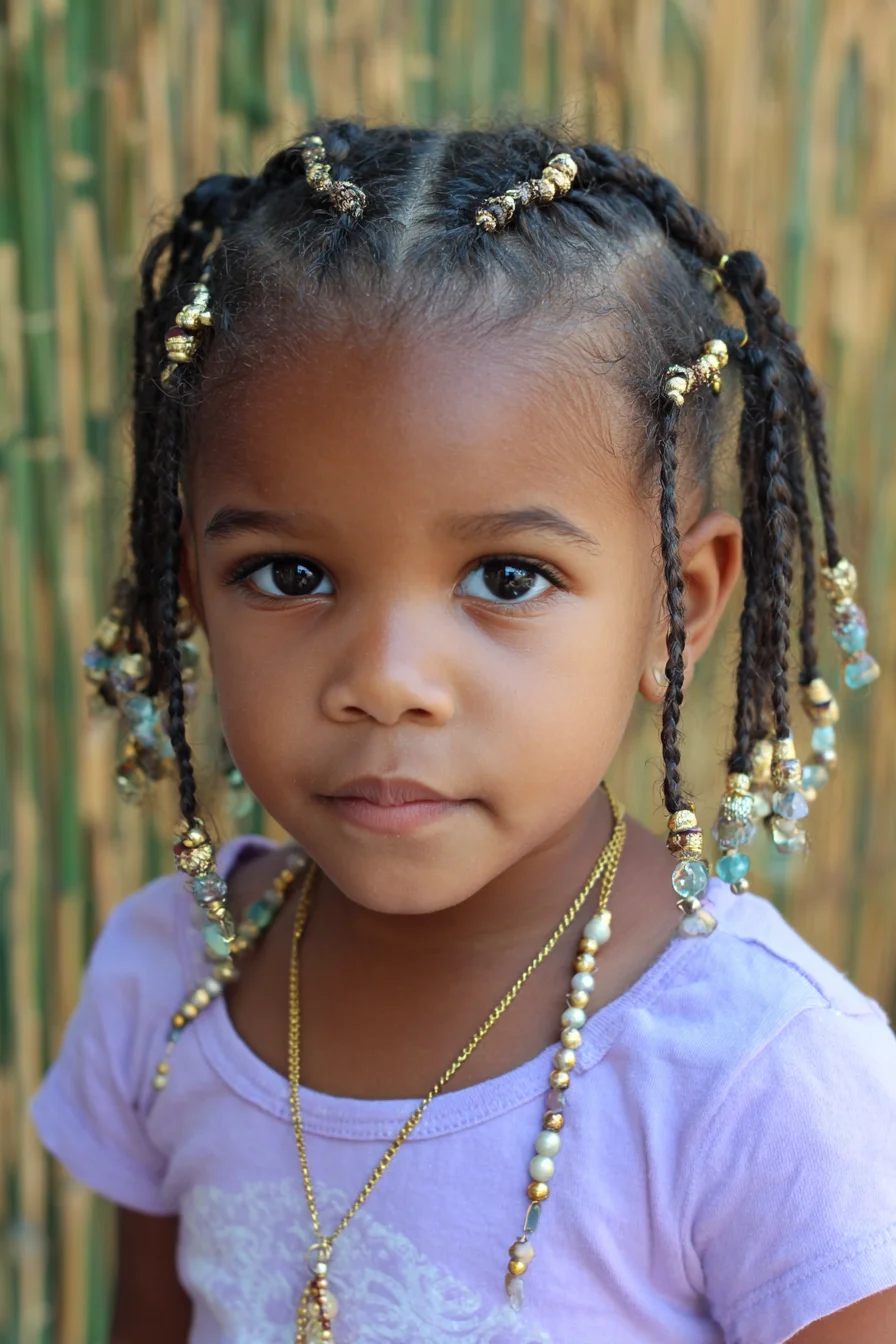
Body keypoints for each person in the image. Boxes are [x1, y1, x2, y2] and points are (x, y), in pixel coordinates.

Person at [32, 119, 896, 1344]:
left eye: (504, 578)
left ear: (675, 607)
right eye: (287, 574)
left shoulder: (762, 1081)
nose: (387, 683)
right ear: (192, 590)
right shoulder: (167, 988)